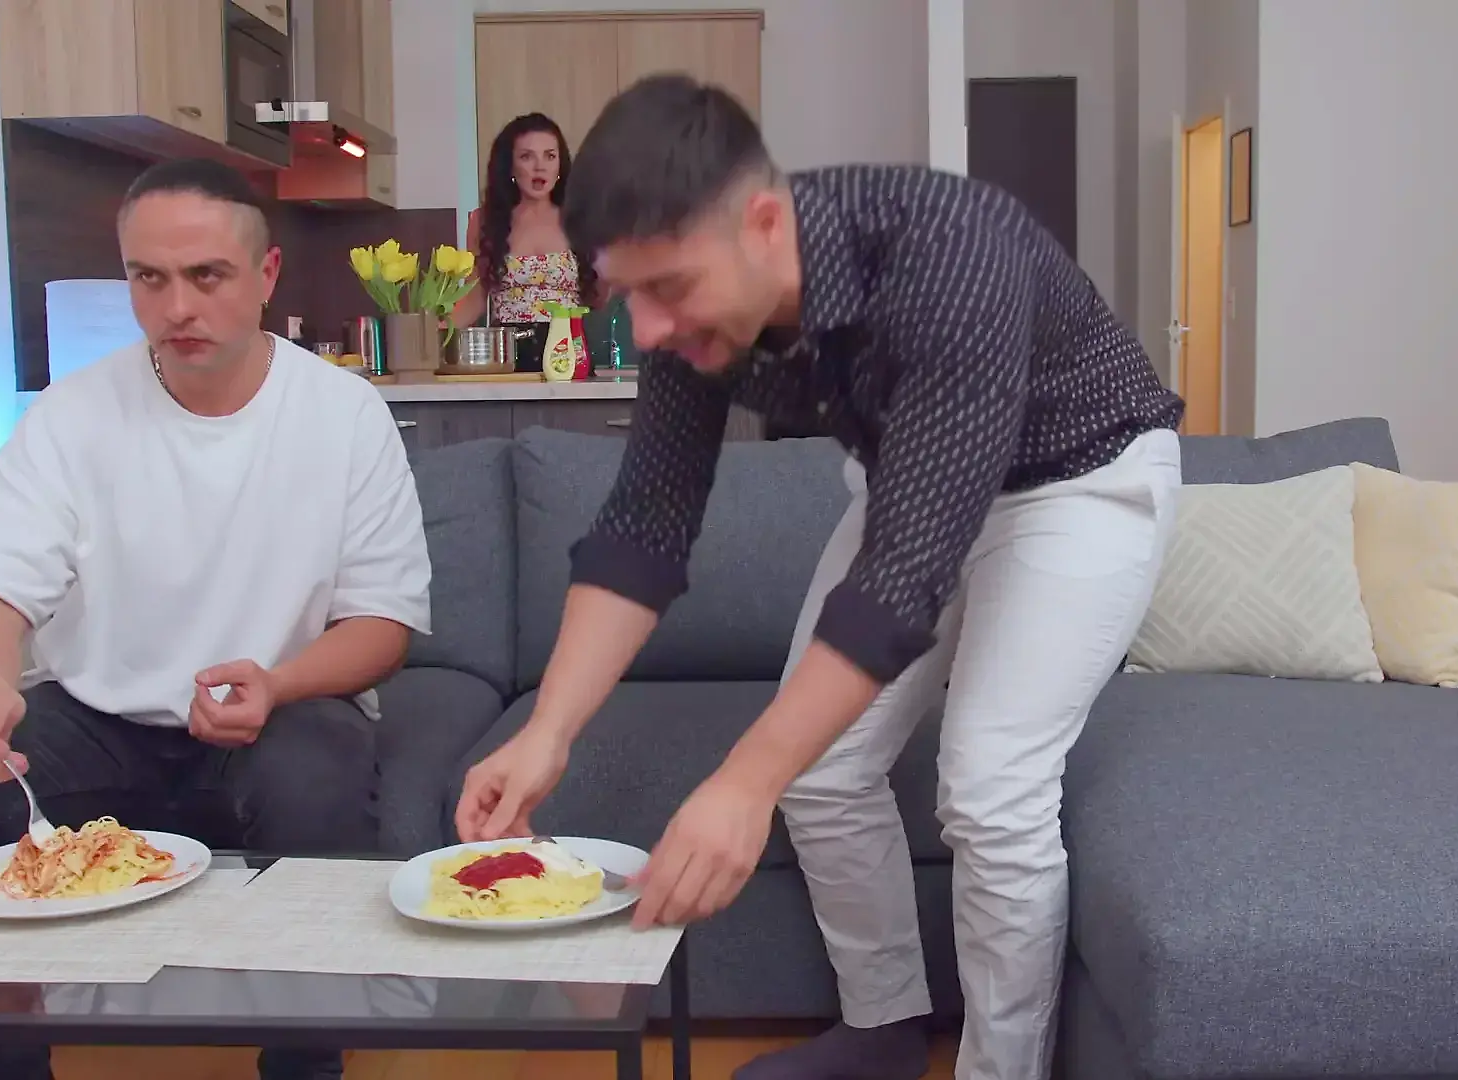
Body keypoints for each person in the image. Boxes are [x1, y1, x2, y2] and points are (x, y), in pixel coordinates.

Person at [455, 75, 1185, 1080]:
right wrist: (547, 733)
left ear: (764, 223)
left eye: (668, 290)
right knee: (825, 767)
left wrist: (742, 783)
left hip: (1077, 480)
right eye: (630, 294)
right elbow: (643, 530)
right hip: (909, 481)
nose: (649, 330)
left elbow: (901, 582)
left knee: (989, 788)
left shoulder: (950, 253)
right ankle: (884, 1030)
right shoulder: (693, 312)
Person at [0, 158, 433, 1080]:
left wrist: (279, 682)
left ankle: (303, 1065)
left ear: (267, 275)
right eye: (148, 279)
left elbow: (382, 626)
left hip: (281, 710)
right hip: (97, 720)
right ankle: (6, 1066)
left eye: (207, 276)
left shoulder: (344, 414)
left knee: (314, 780)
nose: (177, 308)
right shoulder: (73, 416)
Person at [452, 112, 597, 369]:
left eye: (549, 156)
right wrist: (435, 333)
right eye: (526, 156)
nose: (540, 167)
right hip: (507, 355)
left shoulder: (580, 220)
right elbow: (474, 298)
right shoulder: (484, 221)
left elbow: (598, 297)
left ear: (560, 165)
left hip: (568, 352)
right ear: (510, 166)